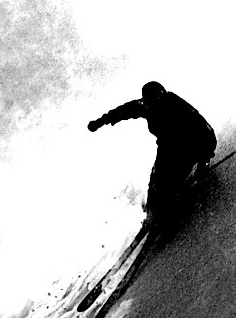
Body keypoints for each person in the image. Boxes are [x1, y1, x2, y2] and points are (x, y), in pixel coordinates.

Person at [87, 81, 217, 225]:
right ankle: (152, 215)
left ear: (162, 96)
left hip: (188, 147)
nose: (153, 104)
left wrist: (204, 161)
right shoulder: (146, 106)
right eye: (150, 102)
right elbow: (123, 111)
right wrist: (100, 122)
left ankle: (173, 204)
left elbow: (207, 133)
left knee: (171, 180)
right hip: (167, 147)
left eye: (156, 100)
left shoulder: (178, 106)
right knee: (156, 180)